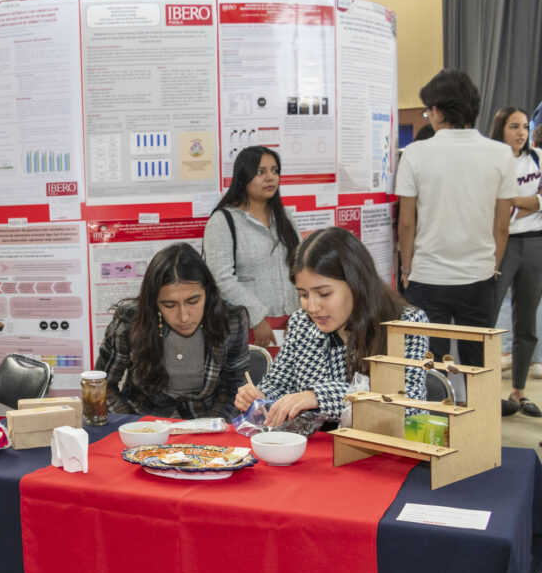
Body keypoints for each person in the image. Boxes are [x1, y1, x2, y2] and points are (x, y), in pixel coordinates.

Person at [235, 227, 428, 427]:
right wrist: (259, 397)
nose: (312, 307)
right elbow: (279, 384)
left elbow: (408, 402)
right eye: (303, 295)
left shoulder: (405, 325)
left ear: (356, 283)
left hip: (384, 447)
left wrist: (320, 396)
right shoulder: (302, 323)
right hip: (319, 449)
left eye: (324, 294)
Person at [396, 69, 517, 368]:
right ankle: (481, 416)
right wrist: (493, 269)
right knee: (478, 364)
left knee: (429, 364)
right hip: (479, 276)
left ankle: (432, 416)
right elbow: (502, 224)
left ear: (436, 110)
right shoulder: (501, 154)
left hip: (427, 276)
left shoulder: (415, 153)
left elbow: (407, 222)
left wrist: (407, 268)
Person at [94, 242, 249, 420]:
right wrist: (134, 425)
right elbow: (102, 385)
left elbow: (233, 388)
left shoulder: (231, 320)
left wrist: (211, 427)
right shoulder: (131, 319)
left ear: (208, 293)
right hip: (143, 420)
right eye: (169, 305)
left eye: (193, 302)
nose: (183, 317)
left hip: (206, 421)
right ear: (154, 302)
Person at [203, 146, 299, 351]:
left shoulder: (285, 217)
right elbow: (221, 279)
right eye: (260, 172)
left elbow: (300, 267)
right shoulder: (223, 221)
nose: (270, 178)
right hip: (250, 325)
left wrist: (301, 315)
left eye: (275, 171)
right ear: (243, 176)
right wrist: (256, 317)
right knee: (255, 382)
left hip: (292, 323)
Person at [488, 107, 542, 416]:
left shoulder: (536, 158)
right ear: (501, 129)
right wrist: (530, 203)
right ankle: (481, 396)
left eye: (524, 126)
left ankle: (519, 392)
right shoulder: (493, 160)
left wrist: (520, 203)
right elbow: (495, 203)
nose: (521, 132)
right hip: (500, 244)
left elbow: (509, 202)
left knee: (527, 322)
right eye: (513, 126)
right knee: (488, 318)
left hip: (534, 243)